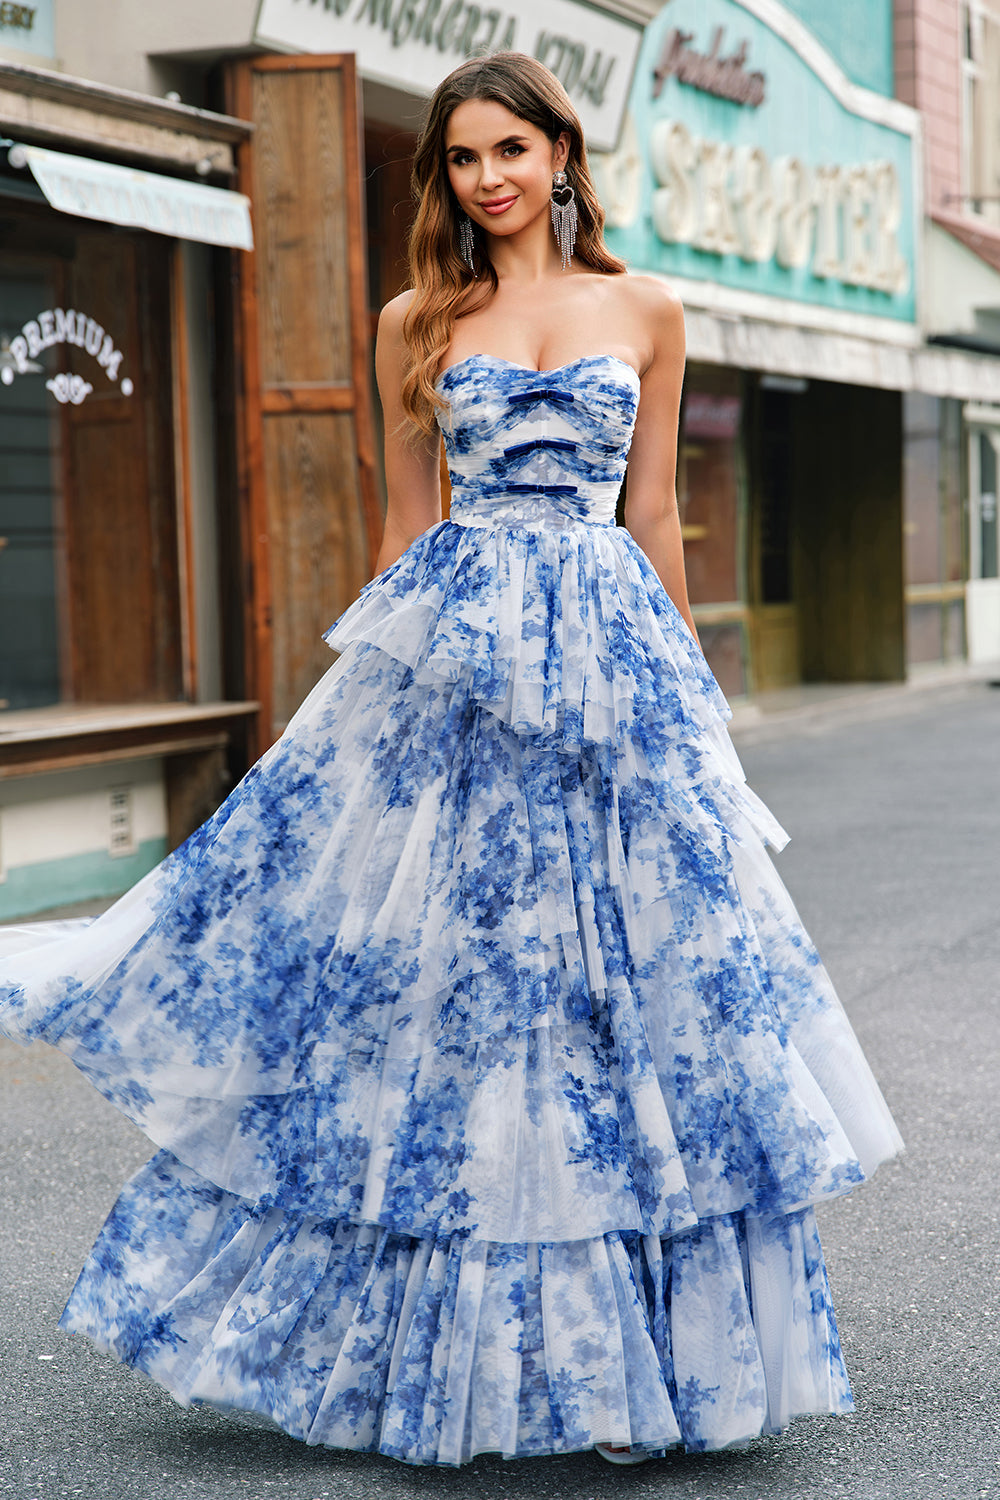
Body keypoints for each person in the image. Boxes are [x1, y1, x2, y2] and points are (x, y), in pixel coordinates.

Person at [0, 52, 901, 1468]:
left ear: (562, 154)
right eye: (464, 158)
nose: (489, 179)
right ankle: (413, 1355)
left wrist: (697, 718)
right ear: (450, 178)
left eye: (511, 151)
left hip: (608, 676)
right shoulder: (413, 319)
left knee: (627, 990)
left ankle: (634, 1364)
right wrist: (347, 727)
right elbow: (403, 531)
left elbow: (654, 517)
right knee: (439, 989)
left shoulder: (645, 307)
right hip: (455, 682)